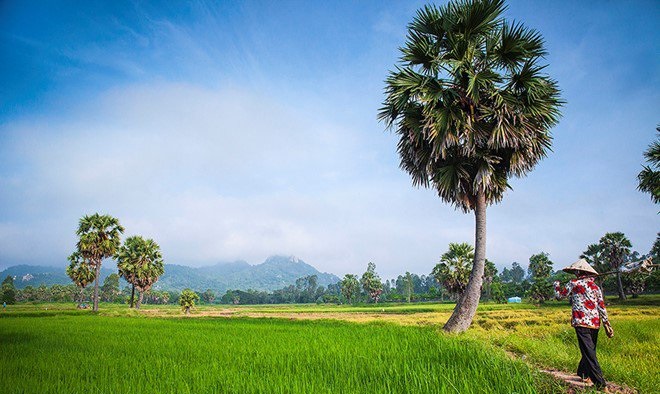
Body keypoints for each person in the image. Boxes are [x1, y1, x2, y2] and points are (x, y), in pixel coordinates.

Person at [554, 258, 614, 389]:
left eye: (576, 272)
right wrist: (607, 323)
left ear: (578, 272)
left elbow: (559, 296)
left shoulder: (574, 283)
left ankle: (599, 383)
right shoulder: (595, 287)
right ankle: (583, 373)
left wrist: (556, 285)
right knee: (589, 350)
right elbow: (601, 306)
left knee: (589, 353)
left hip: (581, 322)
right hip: (595, 323)